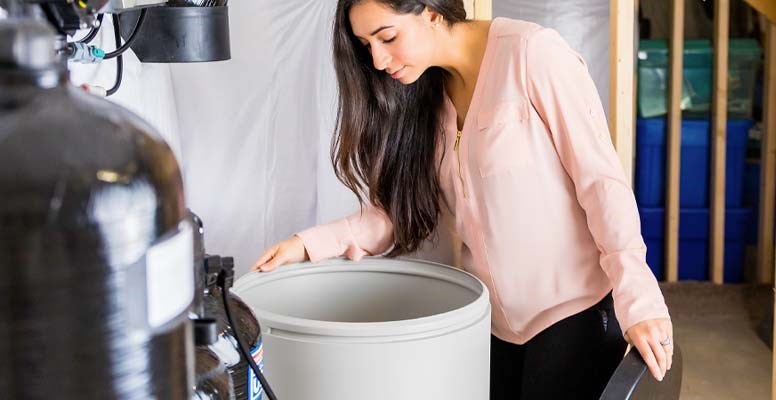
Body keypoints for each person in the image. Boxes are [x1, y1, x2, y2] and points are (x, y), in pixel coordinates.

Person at [252, 0, 673, 398]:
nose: (378, 61)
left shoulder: (532, 55)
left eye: (387, 37)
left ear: (431, 13)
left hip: (573, 316)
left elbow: (601, 184)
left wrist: (639, 298)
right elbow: (400, 210)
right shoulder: (426, 95)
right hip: (489, 325)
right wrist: (306, 245)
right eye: (367, 46)